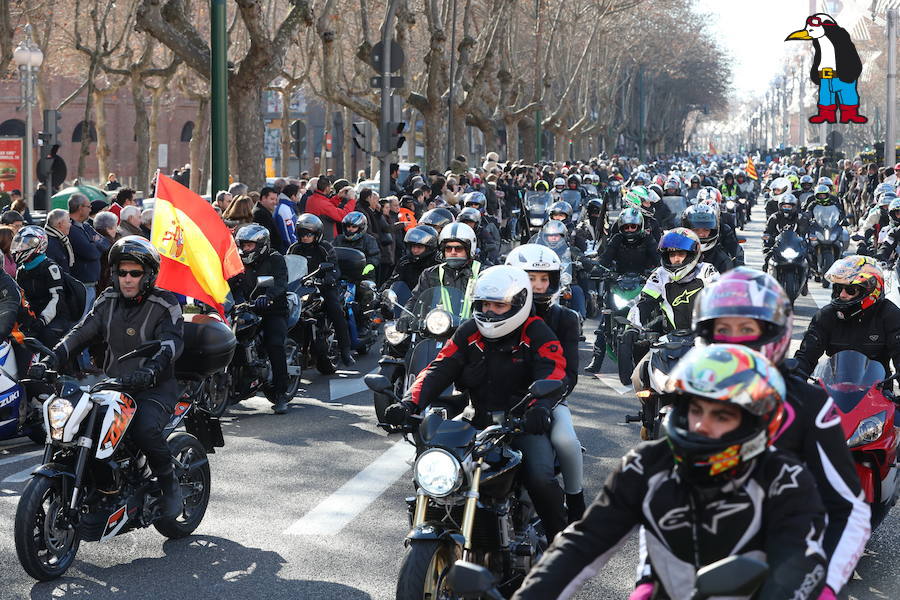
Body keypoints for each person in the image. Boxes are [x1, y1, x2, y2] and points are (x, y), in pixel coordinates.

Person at [511, 344, 829, 600]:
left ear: (754, 421)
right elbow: (581, 544)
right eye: (695, 408)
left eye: (721, 415)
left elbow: (801, 566)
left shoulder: (786, 476)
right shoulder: (646, 464)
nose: (702, 425)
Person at [690, 268, 870, 597]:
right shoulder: (688, 399)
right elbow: (661, 503)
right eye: (722, 330)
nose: (735, 341)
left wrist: (826, 587)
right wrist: (650, 582)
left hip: (791, 569)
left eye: (748, 329)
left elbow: (850, 509)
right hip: (704, 563)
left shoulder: (809, 403)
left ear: (775, 332)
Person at [385, 265, 569, 542]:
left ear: (518, 303)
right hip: (476, 421)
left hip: (523, 424)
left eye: (499, 305)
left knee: (540, 478)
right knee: (436, 468)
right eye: (485, 304)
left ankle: (562, 545)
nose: (491, 311)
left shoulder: (536, 331)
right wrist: (408, 403)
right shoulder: (470, 331)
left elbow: (554, 370)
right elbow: (439, 367)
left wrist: (540, 407)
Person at [36, 237, 185, 518]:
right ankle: (100, 486)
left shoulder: (165, 303)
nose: (127, 279)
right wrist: (50, 359)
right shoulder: (108, 300)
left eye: (135, 273)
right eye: (121, 272)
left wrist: (151, 370)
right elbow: (81, 332)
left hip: (154, 387)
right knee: (80, 428)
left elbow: (171, 344)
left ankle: (169, 484)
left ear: (149, 275)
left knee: (143, 430)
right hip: (113, 384)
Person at [506, 245, 585, 522]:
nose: (539, 286)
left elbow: (570, 374)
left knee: (566, 440)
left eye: (544, 279)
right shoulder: (499, 312)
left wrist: (544, 400)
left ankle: (576, 502)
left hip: (548, 399)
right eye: (531, 278)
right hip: (502, 400)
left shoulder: (566, 318)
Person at [795, 256, 900, 376]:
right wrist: (792, 379)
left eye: (851, 290)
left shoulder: (890, 314)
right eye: (839, 288)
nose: (842, 294)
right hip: (832, 388)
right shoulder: (826, 315)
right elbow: (805, 357)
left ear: (871, 290)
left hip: (878, 389)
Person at [583, 207, 659, 373]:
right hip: (619, 282)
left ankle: (657, 357)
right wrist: (599, 269)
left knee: (656, 316)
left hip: (642, 283)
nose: (630, 230)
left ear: (639, 226)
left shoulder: (648, 239)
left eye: (633, 227)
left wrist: (656, 271)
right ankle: (597, 359)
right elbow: (605, 258)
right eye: (626, 227)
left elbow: (658, 259)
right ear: (621, 228)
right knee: (605, 320)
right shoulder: (617, 239)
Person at [228, 224, 291, 414]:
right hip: (245, 309)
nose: (245, 249)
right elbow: (232, 282)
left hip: (273, 310)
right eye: (243, 245)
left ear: (261, 244)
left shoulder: (275, 259)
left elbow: (280, 282)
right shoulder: (238, 261)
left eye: (249, 246)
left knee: (274, 344)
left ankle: (281, 394)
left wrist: (268, 297)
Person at [288, 214, 355, 366]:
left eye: (308, 234)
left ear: (316, 234)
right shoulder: (294, 248)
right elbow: (287, 267)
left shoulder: (325, 248)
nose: (305, 237)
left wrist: (328, 278)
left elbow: (334, 267)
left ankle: (345, 350)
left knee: (336, 311)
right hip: (300, 288)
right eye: (301, 234)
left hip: (323, 287)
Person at [10, 226, 76, 348]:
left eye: (26, 243)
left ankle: (59, 365)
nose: (21, 247)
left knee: (46, 335)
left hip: (56, 316)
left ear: (40, 244)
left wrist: (42, 320)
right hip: (34, 316)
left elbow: (57, 298)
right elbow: (22, 298)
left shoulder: (50, 267)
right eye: (20, 243)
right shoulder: (21, 271)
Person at [68, 193, 112, 309]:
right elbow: (91, 253)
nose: (91, 209)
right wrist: (95, 244)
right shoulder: (71, 229)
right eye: (88, 206)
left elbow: (106, 243)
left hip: (91, 284)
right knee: (81, 322)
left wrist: (93, 244)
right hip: (81, 285)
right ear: (80, 208)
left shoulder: (86, 226)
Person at [383, 225, 440, 311]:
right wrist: (382, 294)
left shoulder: (438, 263)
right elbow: (393, 280)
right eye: (413, 246)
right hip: (406, 306)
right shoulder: (405, 262)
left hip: (432, 308)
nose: (415, 250)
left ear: (429, 247)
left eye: (419, 247)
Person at [681, 203, 732, 273]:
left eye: (706, 230)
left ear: (712, 231)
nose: (701, 234)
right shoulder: (675, 253)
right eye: (696, 230)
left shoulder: (721, 259)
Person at [306, 177, 356, 241]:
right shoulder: (323, 204)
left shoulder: (311, 199)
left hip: (315, 236)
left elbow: (327, 205)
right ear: (327, 188)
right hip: (326, 240)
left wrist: (338, 197)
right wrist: (352, 200)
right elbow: (343, 216)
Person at [253, 187, 286, 253]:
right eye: (272, 199)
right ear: (263, 198)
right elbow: (265, 237)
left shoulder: (264, 211)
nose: (274, 202)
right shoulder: (260, 213)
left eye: (276, 199)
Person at [44, 208, 73, 274]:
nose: (70, 224)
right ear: (60, 224)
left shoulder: (61, 239)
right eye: (69, 221)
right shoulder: (49, 243)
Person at [275, 183, 298, 249]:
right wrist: (295, 248)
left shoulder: (287, 207)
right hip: (286, 251)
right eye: (298, 194)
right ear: (293, 196)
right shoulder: (284, 209)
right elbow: (288, 234)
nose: (299, 196)